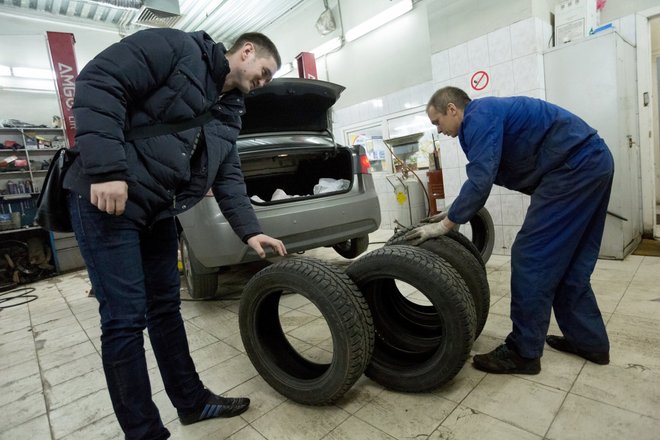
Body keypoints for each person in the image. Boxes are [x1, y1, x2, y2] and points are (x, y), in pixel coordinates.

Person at [63, 28, 287, 439]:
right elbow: (99, 81)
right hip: (108, 202)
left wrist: (250, 231)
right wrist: (108, 170)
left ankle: (192, 402)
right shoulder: (178, 48)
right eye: (266, 72)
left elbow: (228, 174)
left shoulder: (230, 110)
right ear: (247, 51)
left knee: (165, 310)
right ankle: (145, 432)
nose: (264, 81)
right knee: (125, 321)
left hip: (157, 211)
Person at [406, 86, 612, 374]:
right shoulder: (486, 116)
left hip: (572, 168)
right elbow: (485, 173)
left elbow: (481, 179)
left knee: (531, 255)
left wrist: (445, 225)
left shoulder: (479, 116)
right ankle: (590, 343)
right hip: (592, 161)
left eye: (437, 122)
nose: (439, 130)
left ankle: (523, 353)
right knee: (571, 264)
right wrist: (453, 212)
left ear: (452, 109)